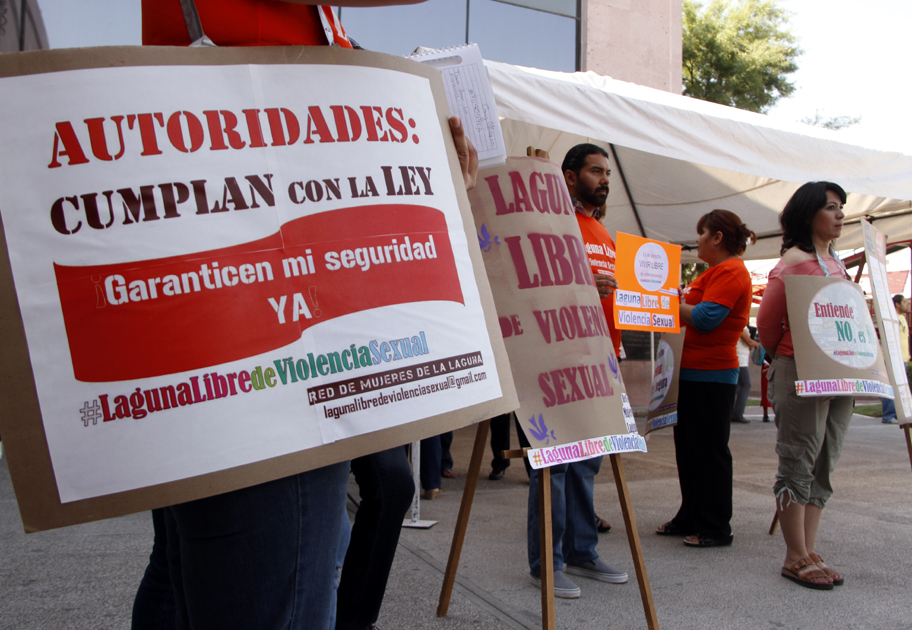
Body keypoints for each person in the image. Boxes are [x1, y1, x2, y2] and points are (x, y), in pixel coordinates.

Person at [133, 3, 482, 630]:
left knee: (192, 569)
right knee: (277, 590)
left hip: (239, 327)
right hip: (265, 355)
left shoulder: (305, 24)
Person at [526, 144, 627, 600]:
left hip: (602, 358)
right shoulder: (549, 220)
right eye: (595, 171)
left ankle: (582, 551)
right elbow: (532, 277)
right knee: (554, 465)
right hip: (558, 354)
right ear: (568, 176)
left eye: (607, 172)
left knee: (587, 462)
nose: (604, 179)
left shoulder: (602, 232)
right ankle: (547, 563)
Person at [757, 181, 852, 591]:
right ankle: (794, 555)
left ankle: (809, 549)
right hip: (801, 370)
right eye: (831, 207)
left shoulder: (839, 264)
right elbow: (766, 326)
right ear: (808, 213)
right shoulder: (794, 262)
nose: (840, 214)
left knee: (824, 462)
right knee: (798, 460)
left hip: (840, 371)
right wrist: (788, 360)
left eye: (842, 207)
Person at [656, 209, 754, 548]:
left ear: (717, 237)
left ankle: (715, 526)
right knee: (688, 449)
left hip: (713, 374)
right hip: (692, 371)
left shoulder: (731, 271)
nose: (696, 239)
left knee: (709, 451)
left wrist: (662, 301)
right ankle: (691, 515)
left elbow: (705, 318)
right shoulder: (714, 272)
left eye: (701, 233)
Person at [881, 294, 910, 424]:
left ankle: (899, 413)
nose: (907, 304)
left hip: (903, 358)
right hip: (893, 358)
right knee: (891, 386)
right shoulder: (891, 319)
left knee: (900, 387)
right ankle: (888, 415)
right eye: (904, 302)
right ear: (897, 304)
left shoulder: (903, 318)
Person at [730, 326, 759, 423]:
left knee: (737, 386)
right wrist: (756, 344)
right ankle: (738, 413)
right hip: (740, 360)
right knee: (746, 384)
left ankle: (732, 412)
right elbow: (749, 342)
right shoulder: (741, 326)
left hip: (738, 359)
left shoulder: (739, 325)